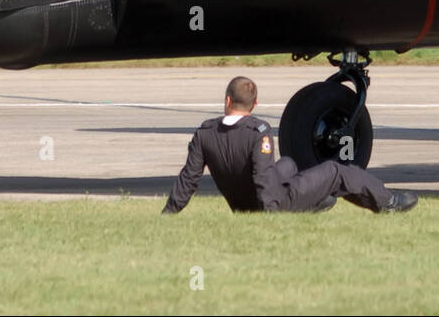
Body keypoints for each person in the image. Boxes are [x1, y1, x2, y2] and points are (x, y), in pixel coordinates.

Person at [162, 76, 418, 215]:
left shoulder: (205, 132)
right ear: (255, 104)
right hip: (272, 204)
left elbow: (189, 178)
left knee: (288, 164)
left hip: (241, 204)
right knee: (335, 171)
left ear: (228, 100)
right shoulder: (258, 131)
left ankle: (316, 202)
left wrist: (170, 212)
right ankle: (388, 203)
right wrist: (272, 215)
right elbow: (262, 180)